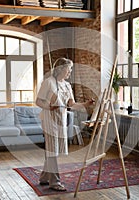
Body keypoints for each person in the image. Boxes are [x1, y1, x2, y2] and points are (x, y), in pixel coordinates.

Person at [36, 57, 94, 191]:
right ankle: (54, 182)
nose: (70, 71)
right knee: (53, 151)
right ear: (61, 69)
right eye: (69, 68)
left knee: (53, 150)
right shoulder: (48, 82)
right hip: (49, 120)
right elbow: (38, 101)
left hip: (61, 121)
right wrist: (49, 106)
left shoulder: (67, 85)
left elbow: (72, 105)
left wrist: (86, 104)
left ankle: (44, 178)